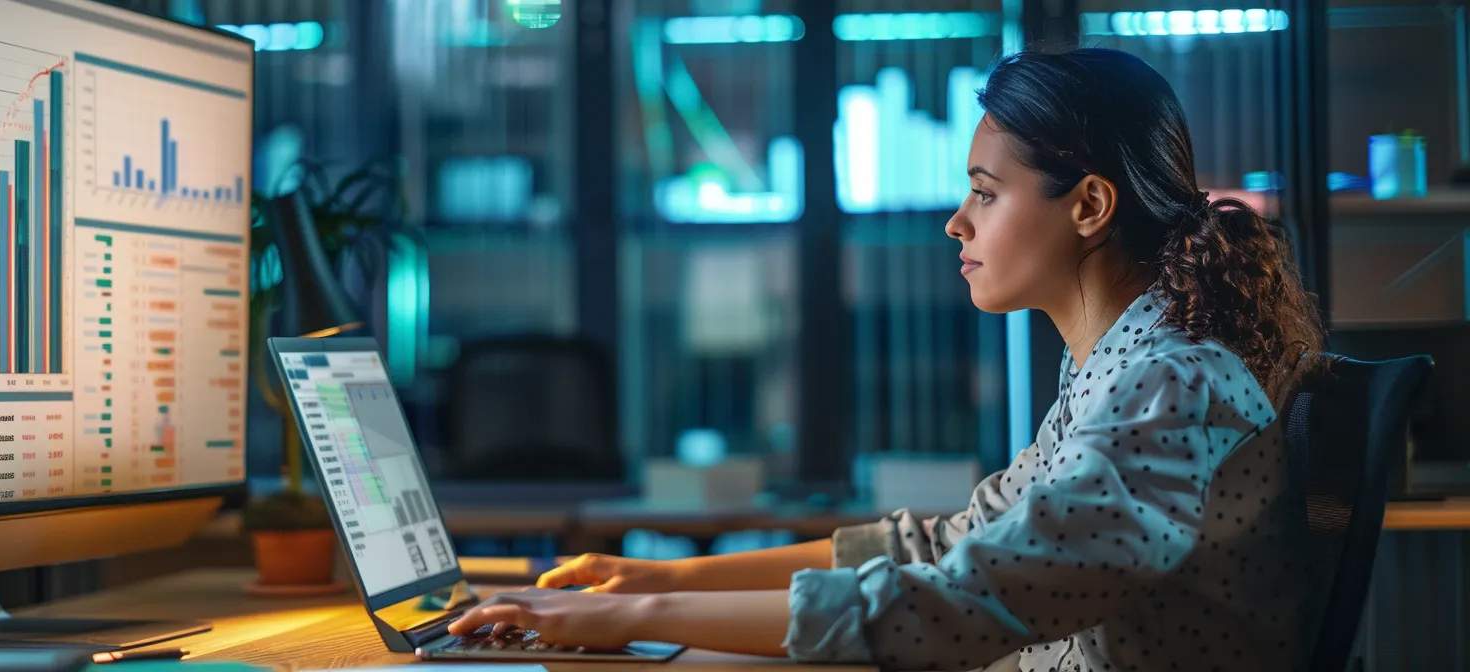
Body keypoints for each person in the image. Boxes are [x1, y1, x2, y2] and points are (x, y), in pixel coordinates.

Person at [447, 47, 1328, 672]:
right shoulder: (1120, 364)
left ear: (1090, 205)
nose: (958, 222)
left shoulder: (1165, 380)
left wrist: (626, 620)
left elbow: (960, 600)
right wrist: (662, 577)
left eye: (986, 193)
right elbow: (951, 543)